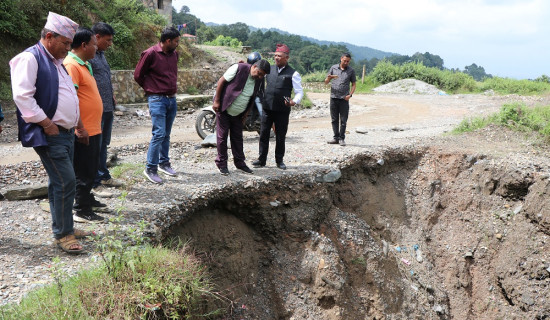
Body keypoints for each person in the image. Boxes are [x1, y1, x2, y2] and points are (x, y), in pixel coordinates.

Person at [10, 12, 90, 254]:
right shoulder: (30, 58)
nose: (68, 48)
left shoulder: (56, 62)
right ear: (49, 36)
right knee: (65, 180)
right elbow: (22, 97)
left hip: (65, 132)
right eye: (65, 43)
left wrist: (78, 125)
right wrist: (46, 123)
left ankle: (65, 227)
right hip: (50, 133)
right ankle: (63, 234)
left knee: (59, 182)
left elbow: (69, 97)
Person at [64, 27, 106, 222]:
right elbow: (70, 99)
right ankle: (82, 208)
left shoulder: (84, 64)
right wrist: (79, 127)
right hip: (84, 129)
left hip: (93, 127)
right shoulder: (71, 65)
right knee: (83, 169)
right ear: (84, 45)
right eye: (94, 45)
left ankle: (87, 199)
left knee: (90, 167)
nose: (96, 48)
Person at [134, 26, 180, 184]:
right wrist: (151, 89)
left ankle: (164, 163)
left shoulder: (174, 54)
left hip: (171, 99)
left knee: (166, 134)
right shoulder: (150, 53)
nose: (177, 44)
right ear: (167, 41)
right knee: (159, 133)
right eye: (176, 41)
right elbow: (138, 75)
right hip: (157, 99)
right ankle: (150, 168)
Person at [213, 59, 271, 175]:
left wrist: (246, 113)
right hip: (224, 107)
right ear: (254, 66)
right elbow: (221, 81)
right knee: (222, 137)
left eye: (262, 75)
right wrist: (217, 101)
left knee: (238, 138)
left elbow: (253, 97)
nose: (259, 77)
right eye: (259, 73)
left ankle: (240, 163)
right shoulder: (239, 68)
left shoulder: (259, 80)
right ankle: (222, 164)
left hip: (239, 113)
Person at [253, 44, 303, 170]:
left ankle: (279, 160)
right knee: (263, 134)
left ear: (287, 57)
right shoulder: (269, 69)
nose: (276, 58)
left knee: (280, 135)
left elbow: (299, 92)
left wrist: (294, 101)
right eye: (275, 56)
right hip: (267, 108)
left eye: (279, 56)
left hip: (282, 110)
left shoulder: (293, 73)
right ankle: (261, 159)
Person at [90, 22, 123, 196]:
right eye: (108, 40)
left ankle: (103, 175)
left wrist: (111, 95)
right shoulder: (88, 55)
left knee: (104, 144)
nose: (110, 44)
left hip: (107, 106)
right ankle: (94, 182)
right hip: (96, 109)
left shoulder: (101, 55)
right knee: (95, 145)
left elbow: (104, 78)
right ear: (97, 37)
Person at [325, 53, 356, 146]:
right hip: (334, 97)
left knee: (343, 120)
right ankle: (335, 138)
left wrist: (350, 95)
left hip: (344, 99)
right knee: (334, 119)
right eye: (344, 60)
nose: (346, 62)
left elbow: (354, 84)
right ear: (341, 59)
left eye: (348, 61)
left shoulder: (351, 71)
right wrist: (329, 78)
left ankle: (342, 138)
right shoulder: (333, 68)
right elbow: (326, 82)